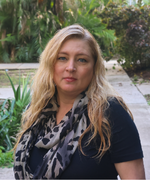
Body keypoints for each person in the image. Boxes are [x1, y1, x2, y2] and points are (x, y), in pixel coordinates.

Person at [13, 24, 145, 179]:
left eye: (82, 60)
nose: (70, 67)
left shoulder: (110, 113)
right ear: (50, 63)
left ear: (94, 68)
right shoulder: (37, 111)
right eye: (62, 58)